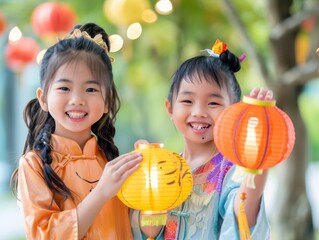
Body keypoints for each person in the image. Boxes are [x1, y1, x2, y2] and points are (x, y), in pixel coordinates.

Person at [10, 23, 142, 239]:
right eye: (64, 88)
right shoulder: (33, 165)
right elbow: (47, 235)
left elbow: (137, 228)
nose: (77, 100)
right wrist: (102, 192)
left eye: (91, 89)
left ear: (107, 100)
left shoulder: (111, 163)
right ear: (43, 98)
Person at [130, 39, 272, 239]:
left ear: (233, 111)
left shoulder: (231, 170)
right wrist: (147, 182)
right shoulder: (165, 168)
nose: (198, 112)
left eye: (213, 103)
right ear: (170, 108)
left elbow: (244, 217)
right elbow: (150, 232)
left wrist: (259, 157)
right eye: (187, 101)